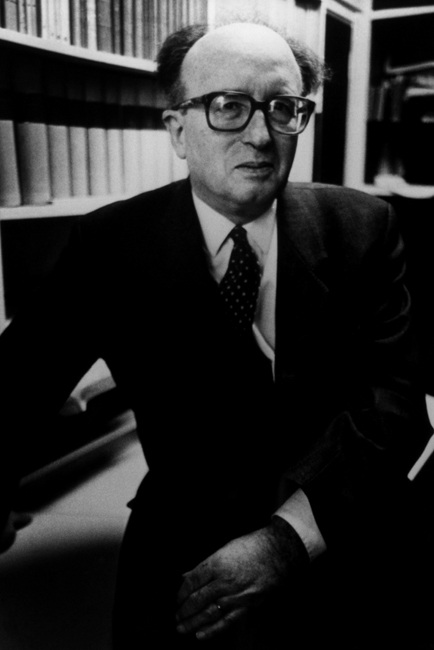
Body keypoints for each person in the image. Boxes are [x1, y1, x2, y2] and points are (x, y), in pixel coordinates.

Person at [0, 18, 432, 650]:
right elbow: (17, 383)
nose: (260, 135)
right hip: (185, 551)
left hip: (339, 535)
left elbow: (395, 406)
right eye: (229, 107)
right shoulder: (109, 245)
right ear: (178, 130)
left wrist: (286, 540)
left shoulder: (364, 227)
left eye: (283, 108)